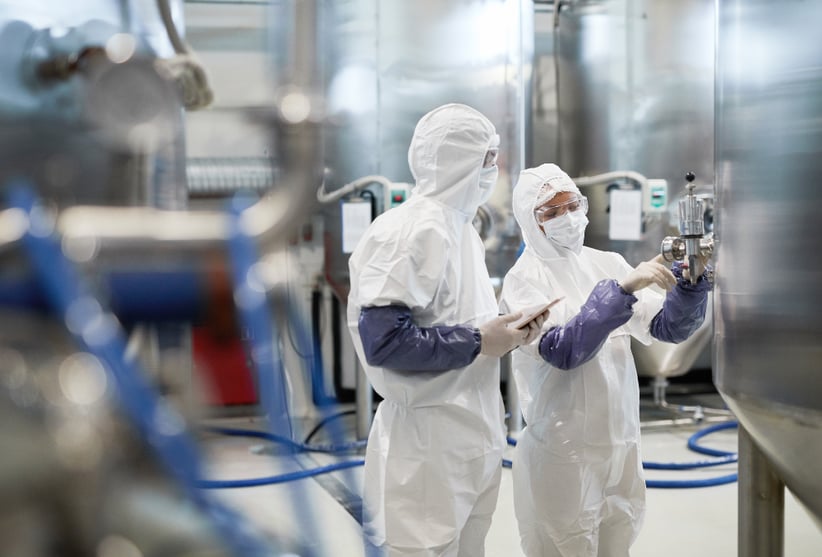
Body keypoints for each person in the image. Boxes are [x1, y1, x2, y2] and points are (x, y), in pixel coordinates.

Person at [347, 103, 547, 556]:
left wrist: (508, 330)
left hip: (473, 428)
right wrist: (480, 340)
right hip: (425, 443)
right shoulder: (408, 231)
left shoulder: (462, 230)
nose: (494, 170)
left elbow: (454, 321)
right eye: (487, 157)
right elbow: (384, 341)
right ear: (459, 161)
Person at [499, 163, 712, 557]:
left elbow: (665, 328)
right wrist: (624, 289)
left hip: (620, 445)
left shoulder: (606, 262)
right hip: (564, 451)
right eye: (551, 211)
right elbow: (565, 350)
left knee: (618, 542)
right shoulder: (524, 279)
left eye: (572, 205)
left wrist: (691, 286)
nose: (566, 217)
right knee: (565, 543)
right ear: (532, 221)